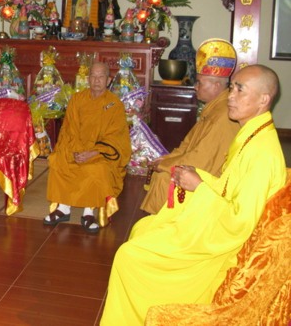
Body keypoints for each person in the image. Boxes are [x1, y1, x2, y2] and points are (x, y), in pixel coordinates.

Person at [100, 64, 287, 326]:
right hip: (217, 223)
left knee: (130, 257)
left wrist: (199, 187)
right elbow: (229, 188)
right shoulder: (253, 135)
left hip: (224, 246)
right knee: (144, 229)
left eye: (239, 90)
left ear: (263, 99)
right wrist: (199, 179)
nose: (230, 96)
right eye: (232, 88)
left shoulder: (262, 153)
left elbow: (240, 223)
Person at [140, 39, 240, 214]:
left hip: (210, 180)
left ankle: (164, 224)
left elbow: (201, 160)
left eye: (200, 82)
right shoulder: (214, 108)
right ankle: (157, 222)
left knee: (165, 178)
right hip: (198, 164)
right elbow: (187, 145)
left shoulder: (224, 115)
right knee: (161, 172)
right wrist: (165, 159)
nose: (195, 87)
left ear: (216, 85)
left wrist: (166, 165)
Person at [44, 62, 131, 233]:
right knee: (59, 160)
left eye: (101, 76)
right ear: (88, 78)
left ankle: (89, 212)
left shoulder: (115, 105)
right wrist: (76, 151)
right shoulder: (77, 99)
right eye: (93, 76)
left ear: (108, 80)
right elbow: (69, 130)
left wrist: (93, 152)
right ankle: (63, 208)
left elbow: (116, 137)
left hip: (100, 152)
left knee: (96, 169)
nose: (96, 80)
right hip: (76, 147)